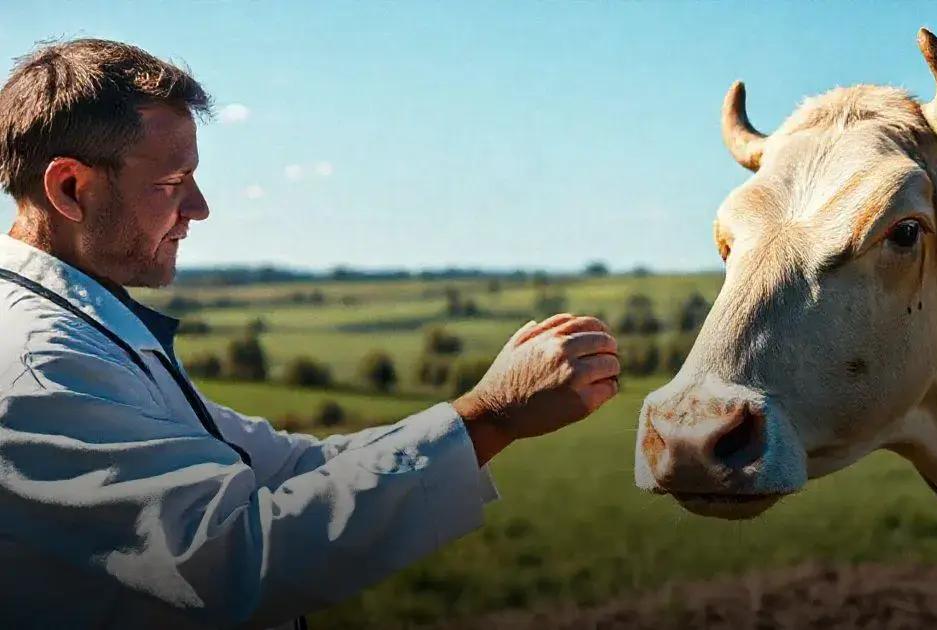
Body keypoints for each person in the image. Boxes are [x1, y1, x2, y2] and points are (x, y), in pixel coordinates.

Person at [0, 39, 620, 629]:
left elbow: (288, 468)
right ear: (70, 188)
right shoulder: (40, 360)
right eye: (170, 183)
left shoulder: (87, 327)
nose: (199, 207)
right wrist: (492, 416)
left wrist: (481, 415)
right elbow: (229, 561)